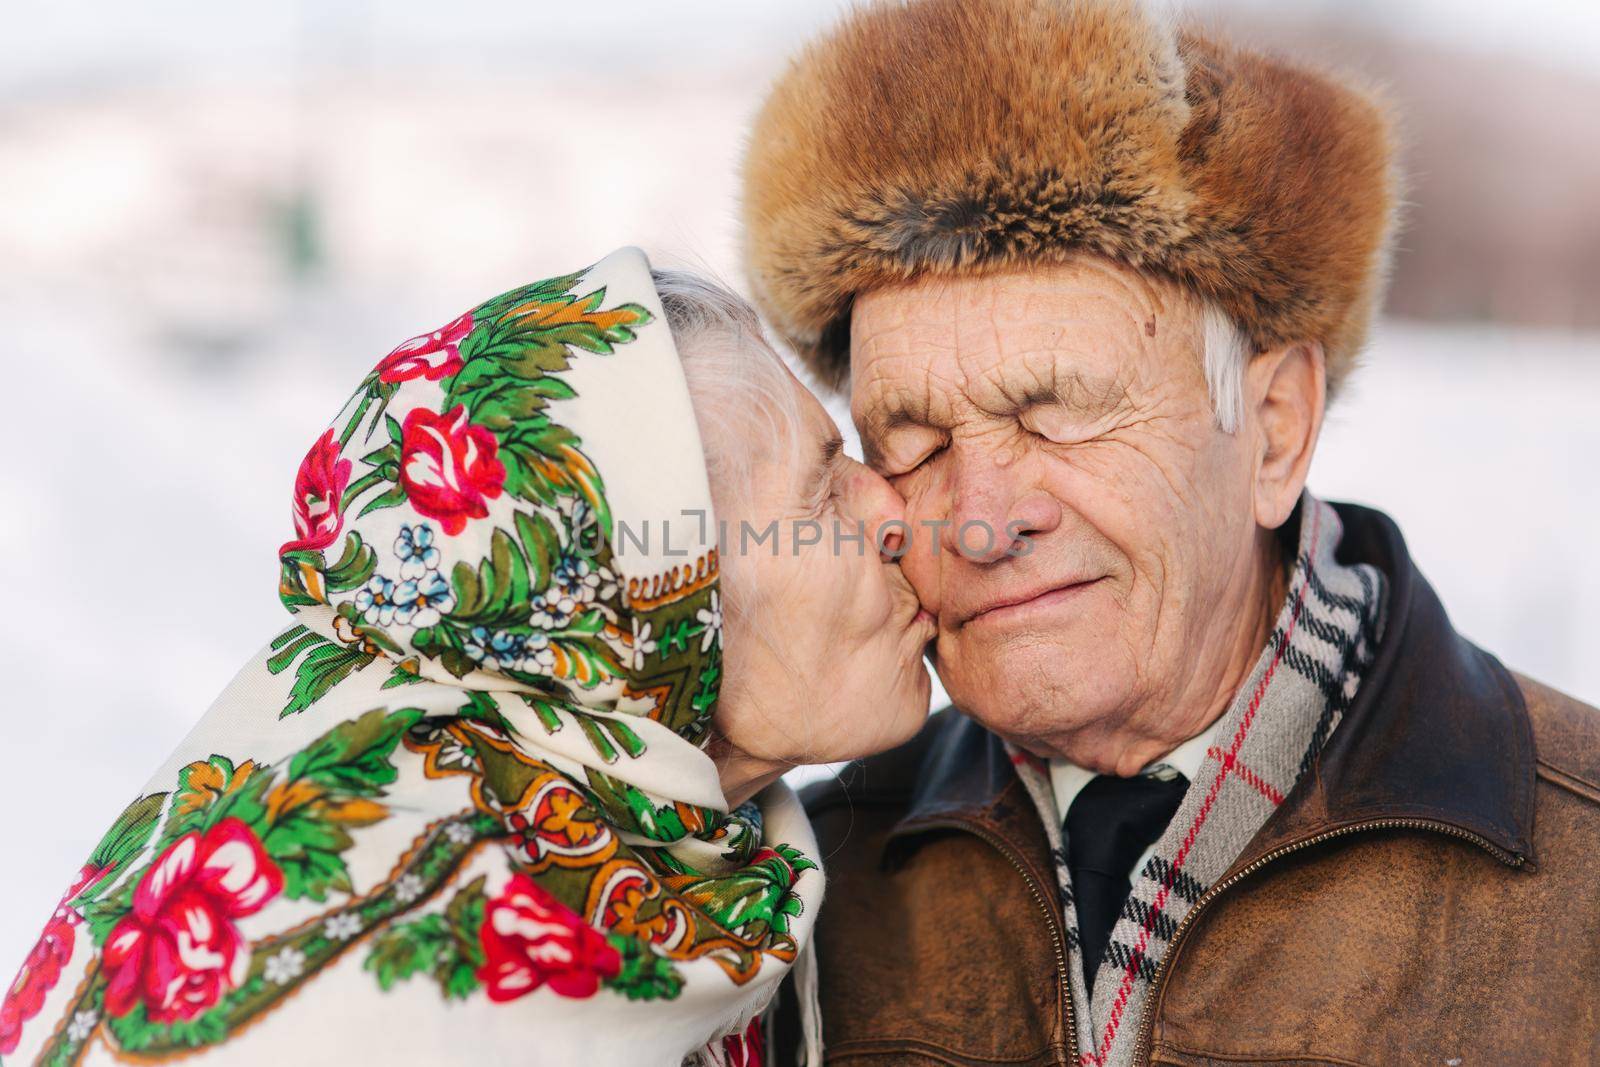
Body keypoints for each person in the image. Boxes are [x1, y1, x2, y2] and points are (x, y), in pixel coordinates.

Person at [742, 1, 1600, 1063]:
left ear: (1274, 432)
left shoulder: (1576, 863)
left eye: (1055, 414)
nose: (978, 517)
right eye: (912, 443)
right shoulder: (794, 890)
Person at [0, 247, 933, 1066]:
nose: (892, 509)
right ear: (649, 612)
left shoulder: (693, 865)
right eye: (820, 495)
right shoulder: (375, 946)